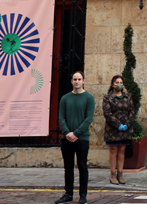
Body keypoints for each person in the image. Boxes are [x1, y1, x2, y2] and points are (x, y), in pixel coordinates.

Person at [55, 70, 95, 204]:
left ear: (83, 81)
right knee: (68, 167)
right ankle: (68, 194)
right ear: (71, 81)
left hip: (82, 138)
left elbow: (88, 119)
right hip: (67, 139)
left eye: (79, 79)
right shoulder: (65, 98)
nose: (77, 82)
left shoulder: (89, 98)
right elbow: (61, 117)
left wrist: (76, 133)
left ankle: (83, 195)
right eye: (75, 79)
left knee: (82, 166)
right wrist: (67, 133)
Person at [103, 74, 134, 186]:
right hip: (113, 129)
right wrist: (118, 124)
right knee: (113, 150)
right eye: (117, 83)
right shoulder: (108, 98)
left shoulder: (127, 97)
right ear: (112, 84)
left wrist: (127, 123)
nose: (119, 85)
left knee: (122, 151)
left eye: (121, 83)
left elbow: (132, 111)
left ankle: (120, 173)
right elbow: (107, 113)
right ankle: (113, 174)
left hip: (125, 129)